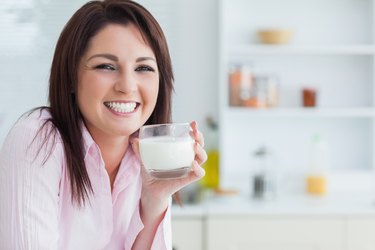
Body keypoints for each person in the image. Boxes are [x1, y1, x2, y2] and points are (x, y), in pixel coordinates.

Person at [0, 0, 207, 249]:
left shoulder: (149, 156)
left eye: (143, 67)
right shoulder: (36, 141)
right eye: (106, 66)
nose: (127, 86)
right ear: (71, 77)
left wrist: (155, 198)